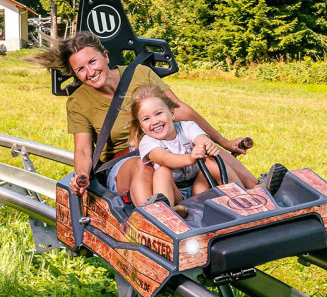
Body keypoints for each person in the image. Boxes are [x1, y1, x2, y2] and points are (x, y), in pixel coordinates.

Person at [28, 31, 262, 204]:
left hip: (167, 146)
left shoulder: (140, 74)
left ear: (106, 57)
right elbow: (82, 150)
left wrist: (224, 142)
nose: (89, 72)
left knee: (211, 153)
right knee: (146, 164)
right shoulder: (78, 101)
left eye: (92, 62)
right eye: (80, 70)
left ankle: (259, 191)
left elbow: (180, 110)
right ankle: (154, 221)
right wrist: (81, 174)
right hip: (125, 160)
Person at [130, 84, 252, 212]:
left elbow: (200, 138)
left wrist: (206, 144)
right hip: (175, 193)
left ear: (172, 113)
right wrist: (189, 158)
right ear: (142, 127)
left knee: (213, 160)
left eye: (159, 113)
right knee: (162, 171)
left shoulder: (187, 127)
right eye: (146, 119)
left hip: (199, 187)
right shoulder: (148, 142)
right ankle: (168, 212)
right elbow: (164, 158)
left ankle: (242, 195)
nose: (154, 121)